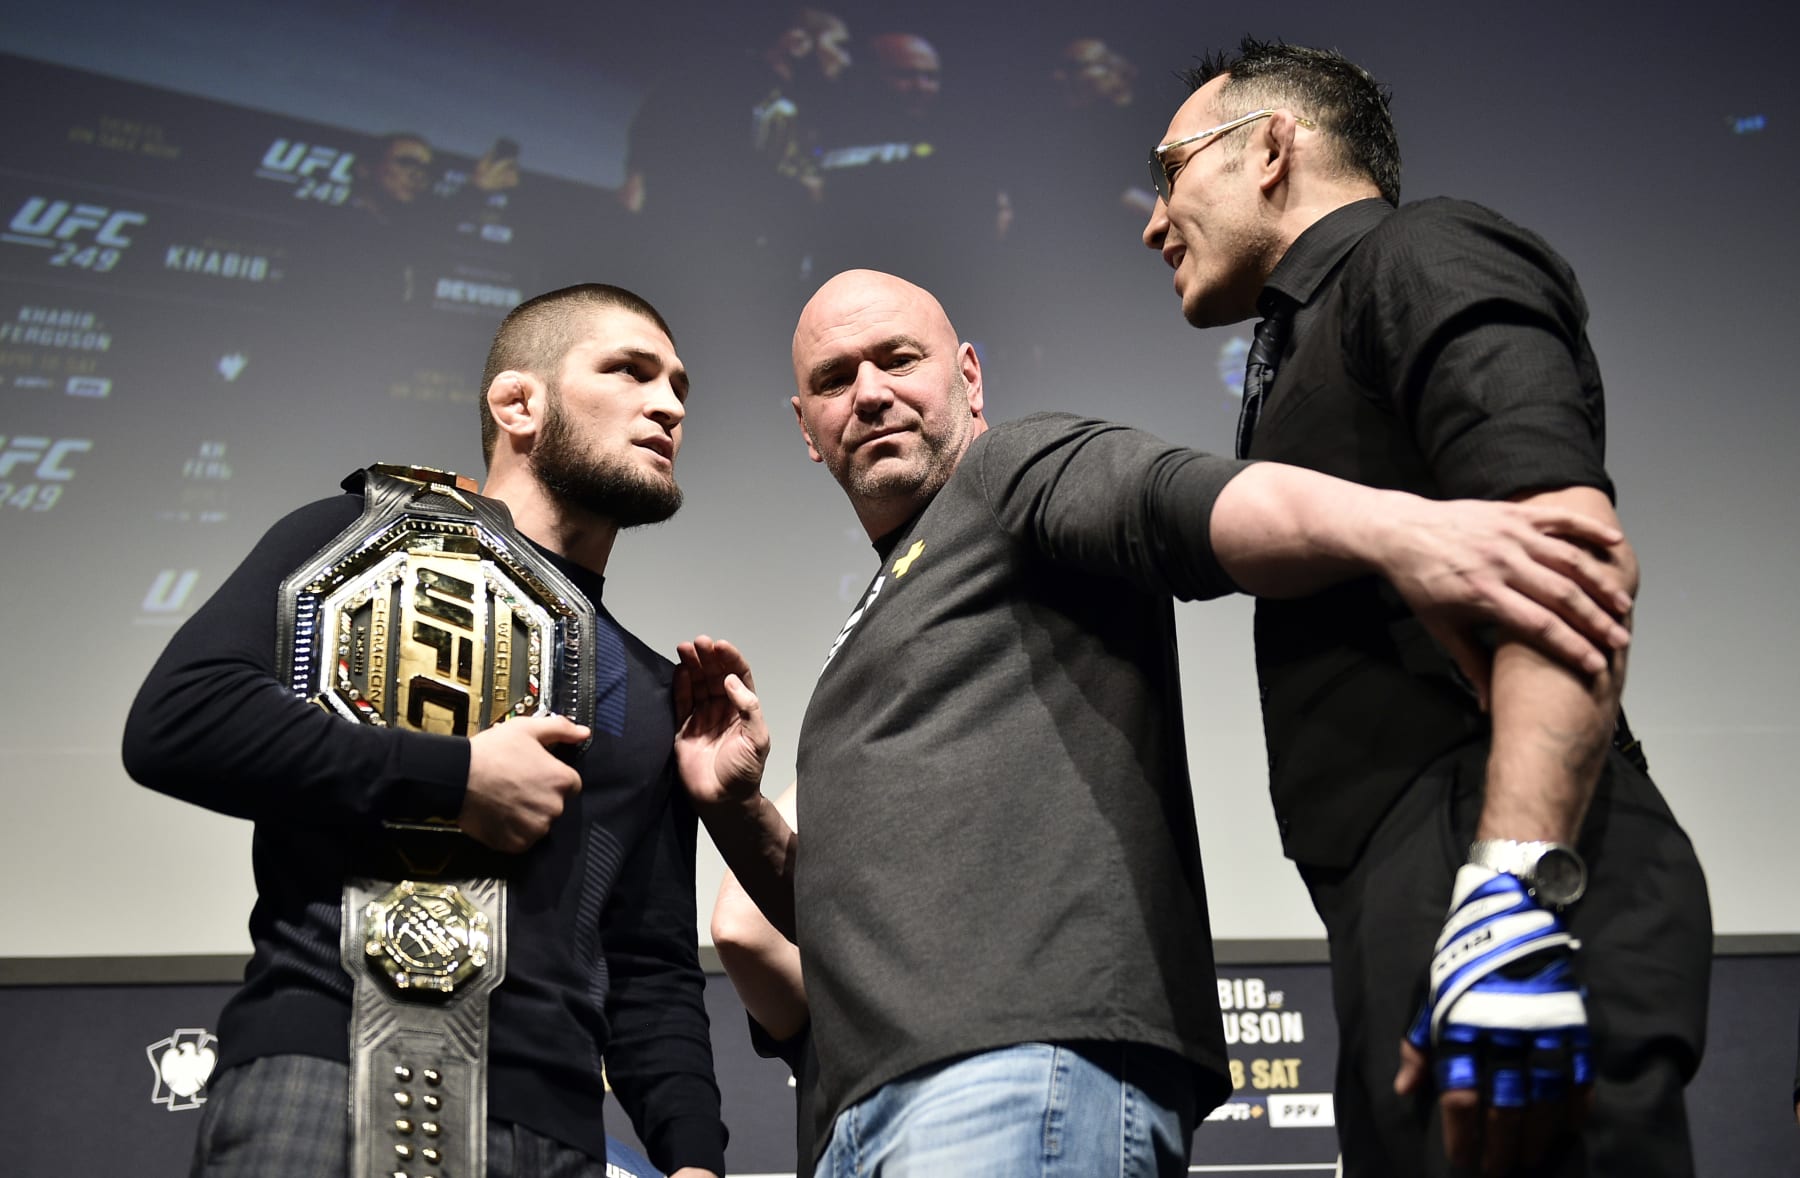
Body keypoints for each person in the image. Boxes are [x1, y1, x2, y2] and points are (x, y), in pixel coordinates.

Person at [673, 267, 1640, 1175]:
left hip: (1015, 1071)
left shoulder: (1007, 471)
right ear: (807, 427)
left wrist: (1405, 532)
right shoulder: (875, 616)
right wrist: (736, 807)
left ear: (968, 375)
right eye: (835, 379)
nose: (871, 394)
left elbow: (1177, 501)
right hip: (854, 1114)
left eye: (898, 358)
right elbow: (843, 921)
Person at [1139, 37, 1712, 1177]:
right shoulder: (1305, 338)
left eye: (1171, 171)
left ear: (1271, 147)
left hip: (1497, 864)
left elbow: (1568, 553)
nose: (1154, 221)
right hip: (1413, 900)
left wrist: (1512, 892)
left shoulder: (1420, 248)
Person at [122, 284, 725, 1178]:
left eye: (678, 385)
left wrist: (693, 1158)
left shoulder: (650, 688)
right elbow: (182, 718)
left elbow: (650, 965)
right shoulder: (357, 543)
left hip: (556, 1132)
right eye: (629, 372)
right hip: (327, 1078)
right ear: (518, 403)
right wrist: (455, 778)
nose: (669, 404)